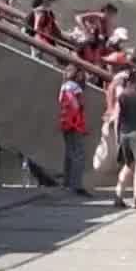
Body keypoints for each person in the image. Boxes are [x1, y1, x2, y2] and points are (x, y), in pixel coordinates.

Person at [103, 61, 136, 209]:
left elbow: (118, 115)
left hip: (124, 133)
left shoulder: (123, 95)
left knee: (127, 166)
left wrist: (118, 135)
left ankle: (118, 197)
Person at [56, 66, 92, 198]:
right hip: (76, 124)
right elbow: (78, 105)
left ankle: (67, 182)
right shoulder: (76, 88)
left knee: (69, 153)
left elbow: (61, 101)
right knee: (79, 155)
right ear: (77, 75)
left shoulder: (64, 86)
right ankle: (77, 186)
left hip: (65, 123)